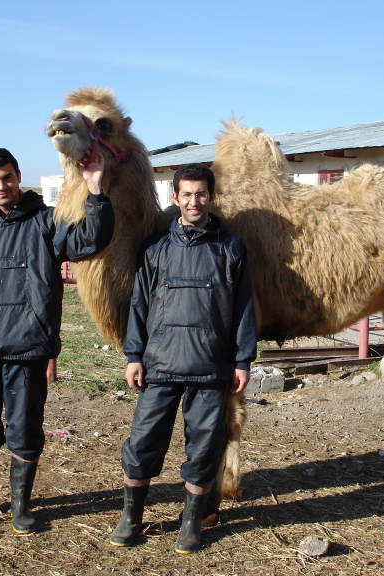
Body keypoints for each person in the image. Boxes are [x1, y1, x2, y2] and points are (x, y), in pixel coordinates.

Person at [0, 148, 114, 534]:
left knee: (24, 428)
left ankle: (21, 506)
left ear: (18, 176)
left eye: (7, 177)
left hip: (28, 345)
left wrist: (95, 191)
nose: (1, 186)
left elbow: (89, 240)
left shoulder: (46, 221)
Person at [110, 163, 256, 553]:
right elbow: (139, 305)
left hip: (210, 369)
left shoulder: (231, 248)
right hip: (159, 366)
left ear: (212, 197)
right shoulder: (155, 248)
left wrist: (242, 361)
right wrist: (133, 355)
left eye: (202, 194)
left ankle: (192, 521)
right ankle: (132, 517)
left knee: (205, 448)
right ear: (175, 198)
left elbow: (243, 309)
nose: (195, 201)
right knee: (142, 444)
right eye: (187, 194)